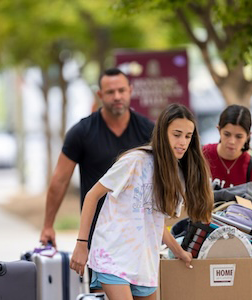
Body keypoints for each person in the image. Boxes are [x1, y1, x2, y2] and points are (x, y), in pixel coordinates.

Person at [70, 103, 214, 300]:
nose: (182, 142)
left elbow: (154, 221)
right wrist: (81, 244)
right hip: (113, 256)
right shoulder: (135, 161)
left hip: (145, 264)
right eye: (177, 134)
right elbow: (92, 195)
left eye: (188, 136)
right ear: (163, 133)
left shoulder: (178, 175)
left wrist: (179, 251)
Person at [40, 68, 154, 248]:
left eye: (121, 90)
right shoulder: (81, 132)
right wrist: (48, 226)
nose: (117, 96)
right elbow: (59, 180)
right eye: (110, 92)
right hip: (98, 235)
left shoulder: (149, 130)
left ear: (130, 91)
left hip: (139, 232)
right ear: (100, 94)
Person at [202, 104, 252, 217]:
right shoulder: (202, 156)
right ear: (219, 130)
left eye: (238, 136)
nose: (232, 141)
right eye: (227, 134)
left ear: (248, 136)